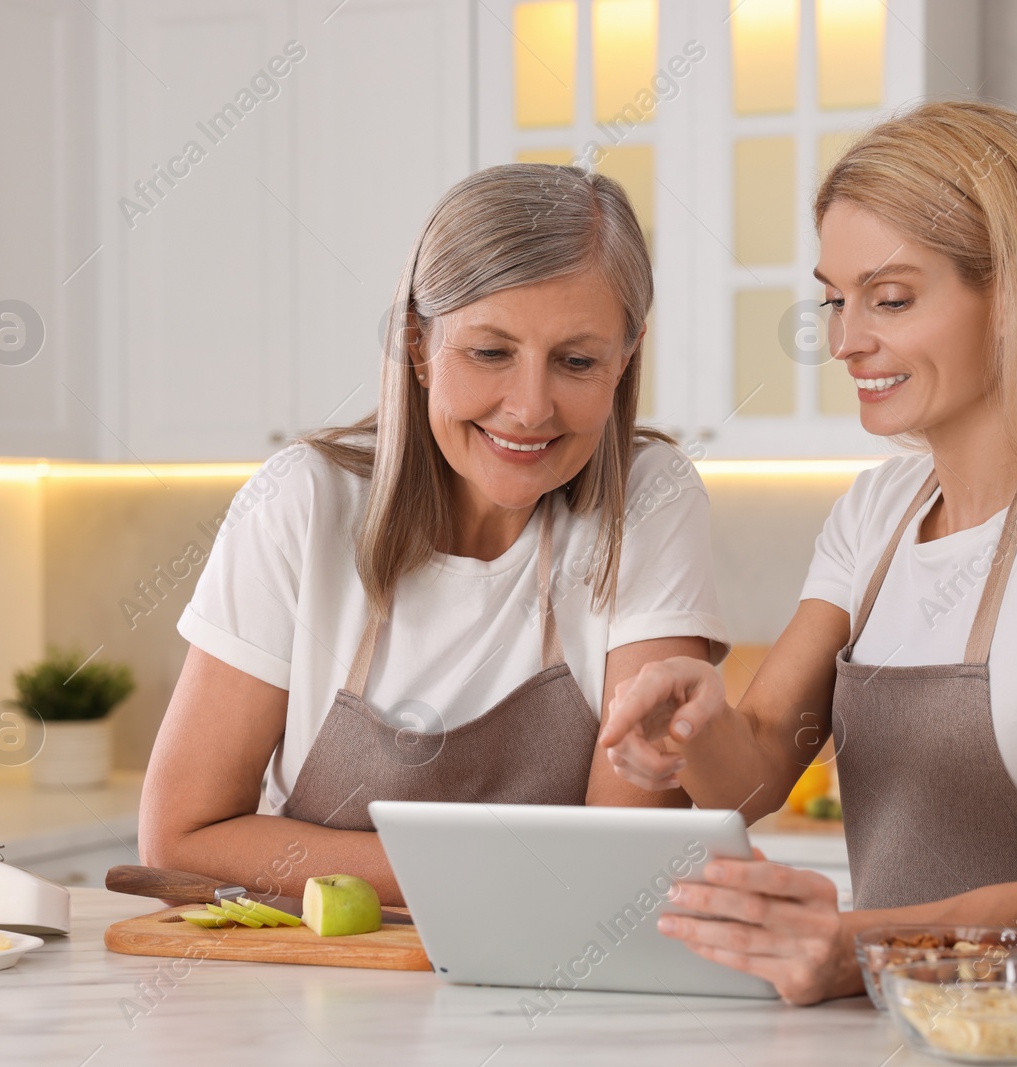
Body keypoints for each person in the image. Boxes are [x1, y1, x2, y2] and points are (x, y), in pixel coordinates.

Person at [599, 101, 1017, 1004]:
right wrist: (696, 726)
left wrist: (860, 945)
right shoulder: (879, 512)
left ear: (1014, 295)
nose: (847, 339)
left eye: (889, 299)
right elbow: (763, 761)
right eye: (834, 299)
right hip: (900, 1021)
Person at [141, 165, 728, 906]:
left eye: (577, 361)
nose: (529, 406)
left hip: (561, 995)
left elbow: (624, 858)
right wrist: (507, 868)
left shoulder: (648, 498)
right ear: (418, 346)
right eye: (490, 352)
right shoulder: (301, 503)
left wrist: (391, 865)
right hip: (326, 992)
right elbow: (180, 838)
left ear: (626, 359)